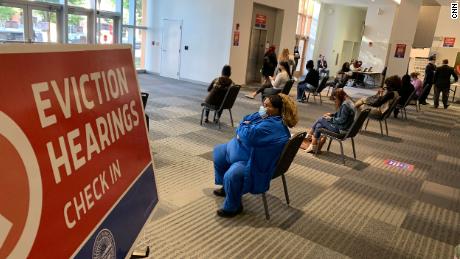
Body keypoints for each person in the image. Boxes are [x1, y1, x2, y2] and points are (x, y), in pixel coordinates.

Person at [212, 94, 298, 217]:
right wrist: (246, 125)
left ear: (278, 110)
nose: (263, 107)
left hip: (254, 161)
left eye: (267, 106)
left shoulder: (274, 126)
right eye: (263, 104)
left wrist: (242, 126)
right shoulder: (266, 116)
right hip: (243, 149)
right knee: (219, 152)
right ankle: (227, 189)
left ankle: (233, 206)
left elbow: (248, 136)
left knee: (232, 175)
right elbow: (246, 118)